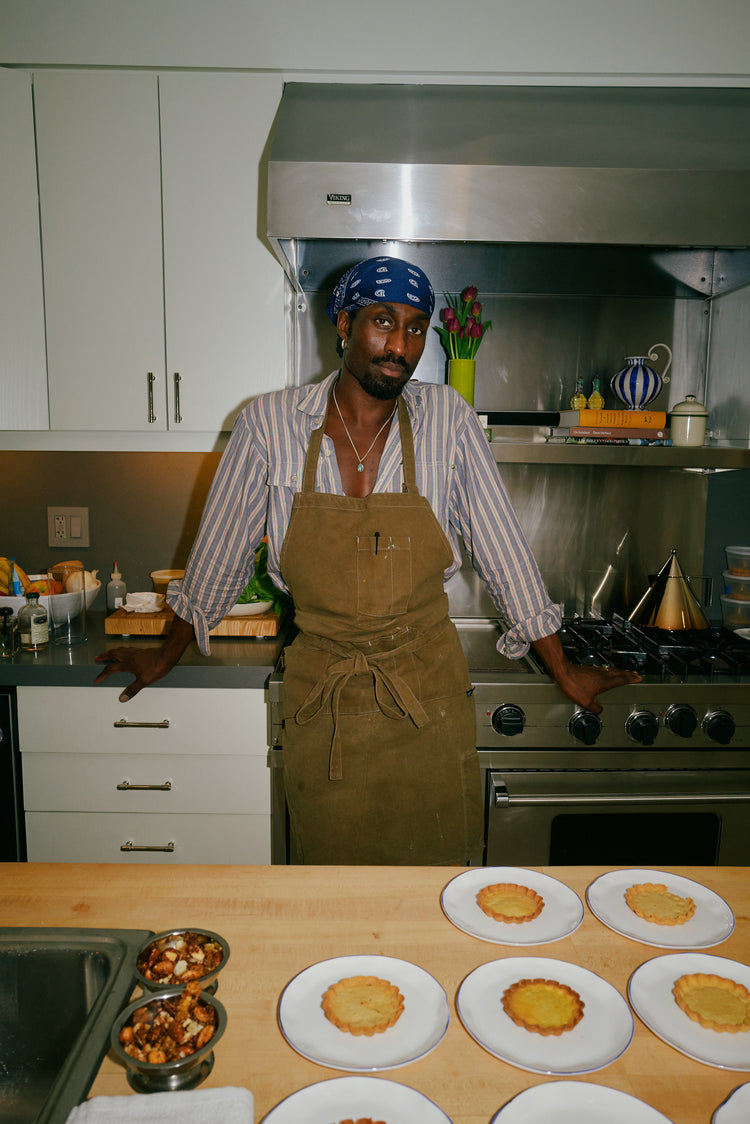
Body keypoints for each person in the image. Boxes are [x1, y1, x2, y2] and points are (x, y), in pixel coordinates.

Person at [95, 256, 640, 865]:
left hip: (427, 702)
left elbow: (505, 551)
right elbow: (217, 559)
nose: (399, 346)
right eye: (383, 322)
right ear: (344, 323)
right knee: (332, 900)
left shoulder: (449, 421)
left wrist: (563, 669)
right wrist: (164, 655)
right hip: (323, 702)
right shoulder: (268, 425)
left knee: (433, 894)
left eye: (414, 328)